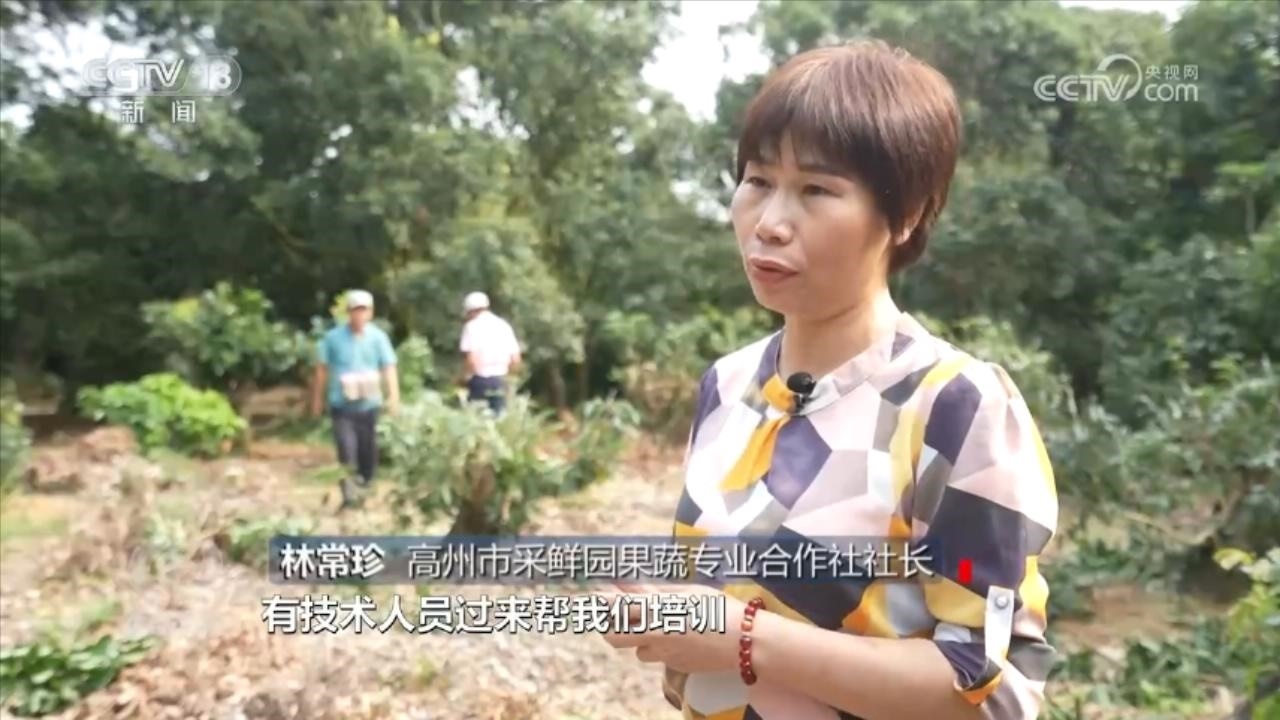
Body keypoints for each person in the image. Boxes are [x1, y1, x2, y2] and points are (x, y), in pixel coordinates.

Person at [598, 40, 1059, 720]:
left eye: (816, 190)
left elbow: (991, 689)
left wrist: (746, 638)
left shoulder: (954, 407)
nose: (770, 223)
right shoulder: (727, 386)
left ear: (906, 215)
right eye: (758, 181)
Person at [311, 289, 399, 509]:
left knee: (368, 452)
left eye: (363, 310)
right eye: (355, 310)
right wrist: (317, 400)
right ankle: (349, 498)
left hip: (369, 405)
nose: (359, 315)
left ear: (370, 312)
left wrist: (394, 396)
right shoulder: (333, 338)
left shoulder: (378, 338)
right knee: (346, 451)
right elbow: (322, 369)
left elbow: (389, 367)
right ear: (348, 312)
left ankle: (365, 491)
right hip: (342, 406)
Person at [459, 291, 521, 415]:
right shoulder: (504, 326)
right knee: (499, 418)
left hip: (480, 381)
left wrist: (464, 378)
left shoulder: (471, 327)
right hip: (501, 381)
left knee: (477, 418)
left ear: (470, 311)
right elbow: (515, 359)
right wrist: (508, 379)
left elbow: (472, 360)